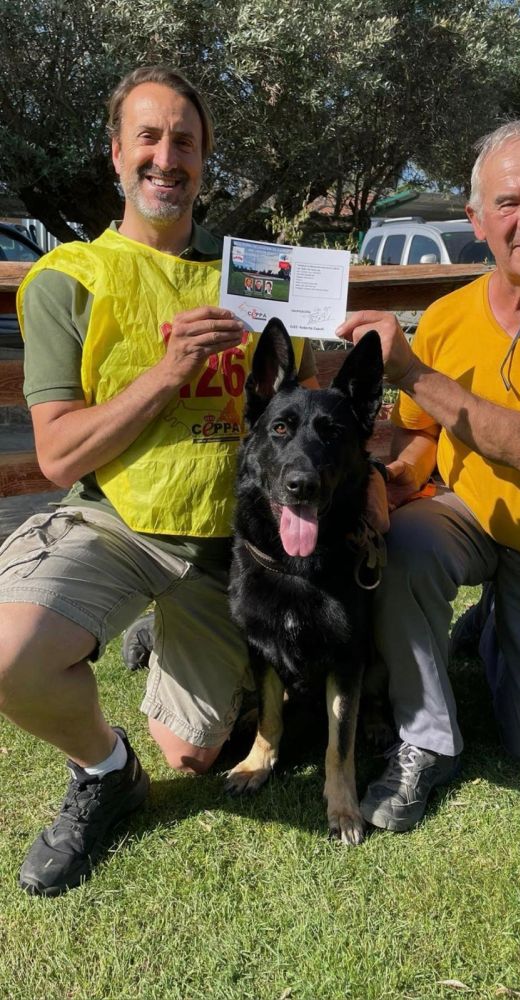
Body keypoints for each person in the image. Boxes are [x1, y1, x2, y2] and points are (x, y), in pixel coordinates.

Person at [0, 65, 318, 896]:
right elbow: (59, 457)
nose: (166, 158)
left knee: (192, 753)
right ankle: (105, 772)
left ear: (204, 162)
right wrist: (169, 372)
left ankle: (161, 644)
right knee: (8, 659)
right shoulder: (69, 277)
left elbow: (301, 401)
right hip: (116, 522)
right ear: (116, 153)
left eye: (185, 142)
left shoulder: (255, 276)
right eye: (148, 137)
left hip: (228, 545)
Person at [337, 120, 520, 833]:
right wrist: (395, 479)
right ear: (476, 220)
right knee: (404, 542)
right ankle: (428, 741)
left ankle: (498, 620)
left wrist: (411, 371)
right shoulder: (445, 318)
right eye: (508, 202)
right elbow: (422, 436)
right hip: (468, 511)